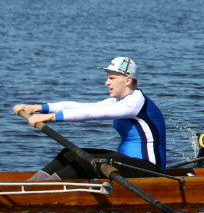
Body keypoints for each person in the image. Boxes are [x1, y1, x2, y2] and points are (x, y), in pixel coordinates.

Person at [13, 56, 167, 180]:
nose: (107, 83)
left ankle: (39, 192)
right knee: (72, 152)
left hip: (149, 170)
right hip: (128, 163)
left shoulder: (135, 102)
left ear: (128, 80)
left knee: (87, 161)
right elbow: (80, 107)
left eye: (112, 78)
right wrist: (37, 107)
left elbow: (92, 114)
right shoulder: (117, 101)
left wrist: (50, 117)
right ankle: (30, 186)